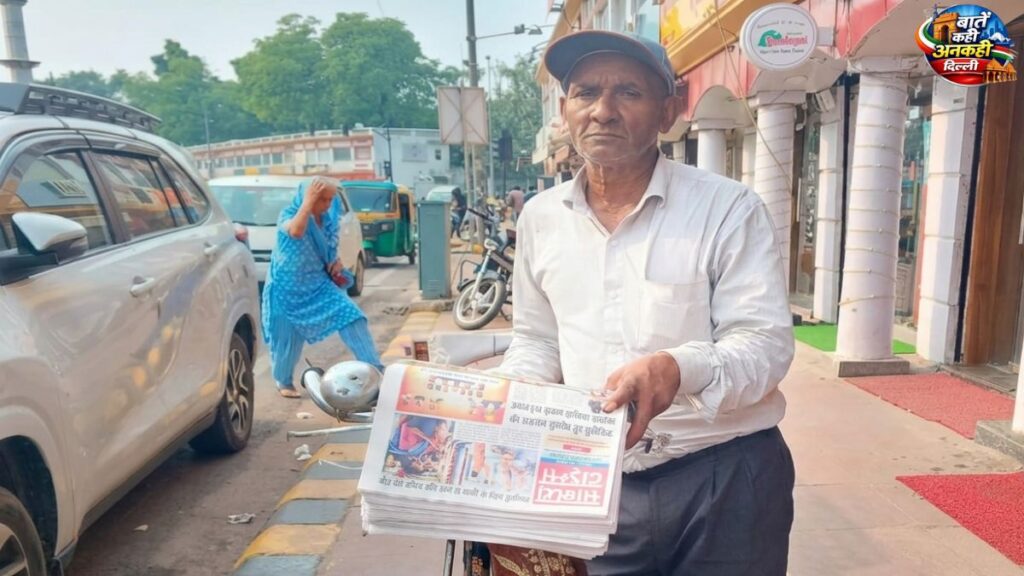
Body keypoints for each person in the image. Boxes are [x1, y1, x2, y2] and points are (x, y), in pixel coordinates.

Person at [496, 30, 796, 575]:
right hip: (592, 478)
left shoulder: (728, 209)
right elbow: (538, 340)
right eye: (586, 92)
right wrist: (505, 396)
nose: (603, 111)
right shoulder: (540, 218)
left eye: (628, 93)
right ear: (565, 111)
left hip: (725, 478)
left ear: (668, 111)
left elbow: (765, 345)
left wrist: (677, 368)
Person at [261, 177, 384, 398]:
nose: (327, 204)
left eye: (330, 199)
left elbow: (329, 251)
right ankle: (284, 380)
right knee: (287, 341)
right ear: (307, 197)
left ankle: (375, 371)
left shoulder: (328, 220)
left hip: (318, 284)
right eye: (322, 199)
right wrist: (307, 203)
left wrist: (336, 263)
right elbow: (296, 231)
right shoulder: (289, 214)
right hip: (287, 289)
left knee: (352, 316)